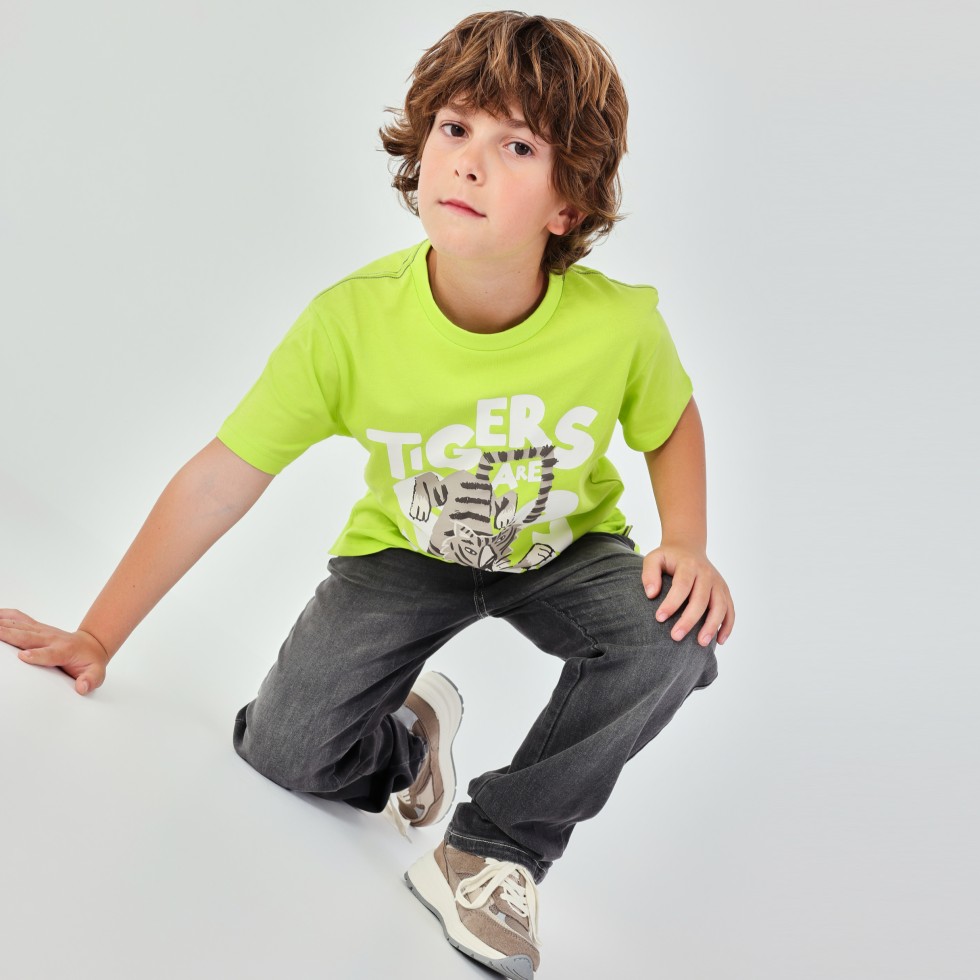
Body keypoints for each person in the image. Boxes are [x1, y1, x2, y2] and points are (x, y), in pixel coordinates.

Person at [0, 11, 735, 978]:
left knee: (675, 637)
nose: (469, 162)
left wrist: (687, 540)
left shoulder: (617, 327)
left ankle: (496, 849)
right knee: (284, 753)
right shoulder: (350, 325)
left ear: (568, 204)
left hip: (563, 550)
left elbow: (670, 420)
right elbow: (221, 480)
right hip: (406, 553)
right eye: (455, 128)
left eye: (517, 146)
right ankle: (407, 745)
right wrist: (99, 635)